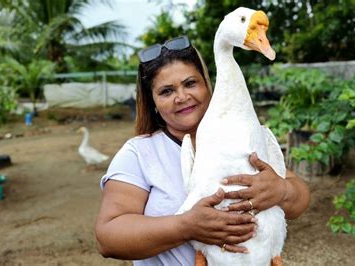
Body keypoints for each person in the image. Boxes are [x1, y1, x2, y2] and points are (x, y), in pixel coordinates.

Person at [95, 36, 310, 265]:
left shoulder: (242, 136)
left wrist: (283, 191)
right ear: (153, 103)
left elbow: (300, 197)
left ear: (208, 85)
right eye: (167, 91)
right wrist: (186, 226)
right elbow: (108, 239)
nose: (182, 97)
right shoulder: (139, 153)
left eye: (190, 83)